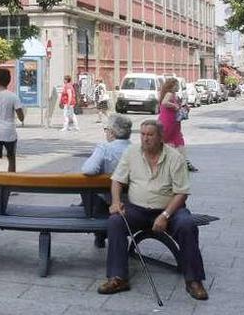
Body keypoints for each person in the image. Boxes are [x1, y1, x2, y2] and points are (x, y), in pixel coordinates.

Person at [98, 119, 208, 301]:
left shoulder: (174, 157)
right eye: (142, 134)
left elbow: (182, 193)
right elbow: (117, 180)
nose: (145, 139)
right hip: (138, 209)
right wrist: (116, 202)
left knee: (187, 224)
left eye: (150, 135)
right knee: (116, 221)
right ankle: (118, 278)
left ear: (160, 137)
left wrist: (165, 215)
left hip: (170, 210)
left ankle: (194, 280)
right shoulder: (131, 153)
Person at [81, 114, 132, 246]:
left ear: (112, 132)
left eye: (106, 129)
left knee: (88, 188)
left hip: (109, 202)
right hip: (133, 200)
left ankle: (100, 234)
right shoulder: (136, 149)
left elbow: (88, 170)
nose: (106, 132)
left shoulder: (105, 148)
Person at [158, 78, 197, 172]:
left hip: (174, 122)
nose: (178, 87)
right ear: (172, 86)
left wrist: (184, 108)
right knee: (168, 140)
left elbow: (175, 106)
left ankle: (184, 162)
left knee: (178, 140)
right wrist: (175, 106)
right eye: (177, 85)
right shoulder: (169, 94)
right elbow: (164, 103)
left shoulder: (174, 95)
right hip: (167, 121)